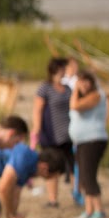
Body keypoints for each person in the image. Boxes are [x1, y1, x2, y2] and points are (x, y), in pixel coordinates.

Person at [31, 57, 73, 207]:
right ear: (56, 69)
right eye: (62, 68)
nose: (65, 71)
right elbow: (37, 109)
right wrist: (37, 130)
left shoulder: (68, 88)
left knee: (72, 165)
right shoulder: (45, 88)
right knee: (51, 165)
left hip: (68, 133)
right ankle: (53, 199)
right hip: (50, 133)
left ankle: (77, 195)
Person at [69, 70, 108, 218]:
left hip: (93, 140)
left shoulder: (97, 95)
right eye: (80, 81)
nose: (83, 84)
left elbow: (75, 106)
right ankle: (89, 209)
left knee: (89, 176)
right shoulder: (83, 94)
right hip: (81, 141)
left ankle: (99, 210)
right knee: (83, 177)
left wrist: (75, 89)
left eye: (86, 81)